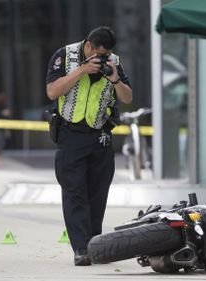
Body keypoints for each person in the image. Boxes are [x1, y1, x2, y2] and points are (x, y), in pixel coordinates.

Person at [46, 26, 132, 265]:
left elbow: (127, 97)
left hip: (100, 135)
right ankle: (81, 249)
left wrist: (114, 79)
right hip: (71, 134)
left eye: (106, 55)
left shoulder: (114, 63)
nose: (102, 59)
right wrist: (82, 70)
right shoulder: (65, 56)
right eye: (98, 55)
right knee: (75, 193)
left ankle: (95, 243)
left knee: (98, 192)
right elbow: (52, 92)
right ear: (89, 46)